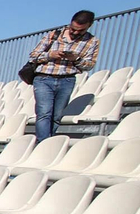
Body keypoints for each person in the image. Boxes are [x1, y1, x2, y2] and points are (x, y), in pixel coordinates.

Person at [27, 10, 101, 141]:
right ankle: (43, 143)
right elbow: (33, 56)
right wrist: (50, 55)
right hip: (44, 78)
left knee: (57, 116)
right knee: (44, 113)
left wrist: (76, 59)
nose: (75, 33)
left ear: (89, 26)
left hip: (67, 80)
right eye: (73, 29)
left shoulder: (92, 42)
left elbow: (89, 65)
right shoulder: (54, 35)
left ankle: (50, 141)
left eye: (80, 31)